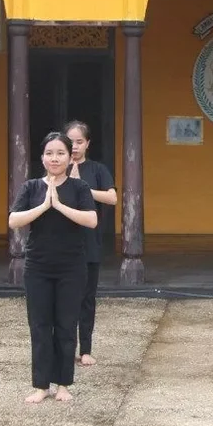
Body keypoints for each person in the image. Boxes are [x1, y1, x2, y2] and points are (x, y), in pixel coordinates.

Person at [9, 131, 99, 404]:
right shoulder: (32, 187)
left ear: (69, 156)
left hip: (71, 267)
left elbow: (91, 220)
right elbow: (14, 220)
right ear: (42, 157)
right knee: (39, 325)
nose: (54, 158)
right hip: (38, 266)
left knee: (65, 325)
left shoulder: (78, 188)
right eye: (49, 153)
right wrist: (44, 205)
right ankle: (41, 385)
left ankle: (63, 384)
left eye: (60, 153)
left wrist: (59, 205)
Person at [64, 120, 118, 367]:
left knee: (87, 298)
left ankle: (85, 349)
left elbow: (112, 197)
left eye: (79, 142)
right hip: (62, 243)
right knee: (64, 300)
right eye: (70, 142)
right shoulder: (56, 166)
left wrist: (84, 188)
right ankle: (65, 349)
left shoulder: (97, 169)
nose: (74, 147)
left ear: (87, 144)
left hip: (89, 243)